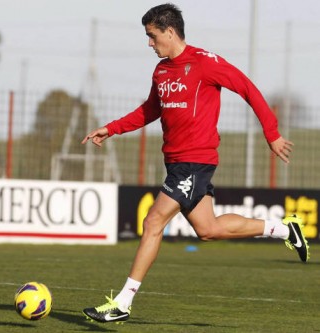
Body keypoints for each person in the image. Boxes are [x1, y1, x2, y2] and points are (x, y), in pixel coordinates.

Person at [81, 3, 309, 323]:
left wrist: (271, 133)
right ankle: (284, 228)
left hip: (195, 161)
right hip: (176, 163)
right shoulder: (161, 71)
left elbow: (248, 88)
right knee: (208, 229)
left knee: (152, 222)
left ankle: (122, 302)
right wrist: (112, 128)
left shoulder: (205, 63)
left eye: (152, 36)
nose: (149, 43)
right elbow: (150, 110)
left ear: (170, 32)